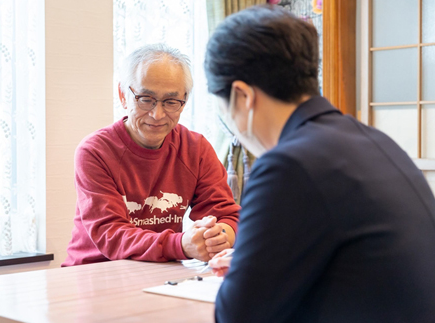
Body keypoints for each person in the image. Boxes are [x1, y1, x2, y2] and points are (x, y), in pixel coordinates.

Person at [204, 5, 435, 323]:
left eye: (223, 110)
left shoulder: (287, 167)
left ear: (242, 96)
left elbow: (236, 315)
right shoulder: (375, 142)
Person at [62, 44, 240, 266]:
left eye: (171, 101)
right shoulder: (95, 151)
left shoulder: (196, 149)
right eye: (146, 99)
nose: (157, 114)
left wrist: (218, 236)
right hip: (96, 270)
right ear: (123, 95)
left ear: (183, 102)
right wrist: (181, 245)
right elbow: (111, 235)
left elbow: (227, 216)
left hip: (161, 270)